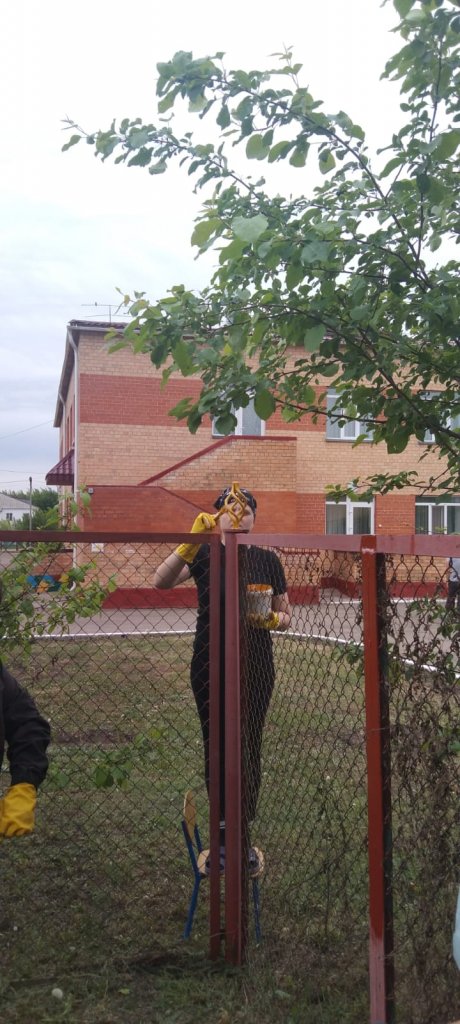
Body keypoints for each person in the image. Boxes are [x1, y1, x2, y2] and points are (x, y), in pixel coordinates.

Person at [153, 485, 291, 873]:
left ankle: (242, 832)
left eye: (245, 509)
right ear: (216, 516)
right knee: (214, 742)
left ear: (255, 518)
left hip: (256, 664)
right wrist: (189, 543)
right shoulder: (204, 554)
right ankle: (221, 833)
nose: (237, 514)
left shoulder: (267, 559)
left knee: (249, 742)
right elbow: (161, 581)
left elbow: (286, 615)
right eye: (229, 507)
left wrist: (271, 620)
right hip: (209, 662)